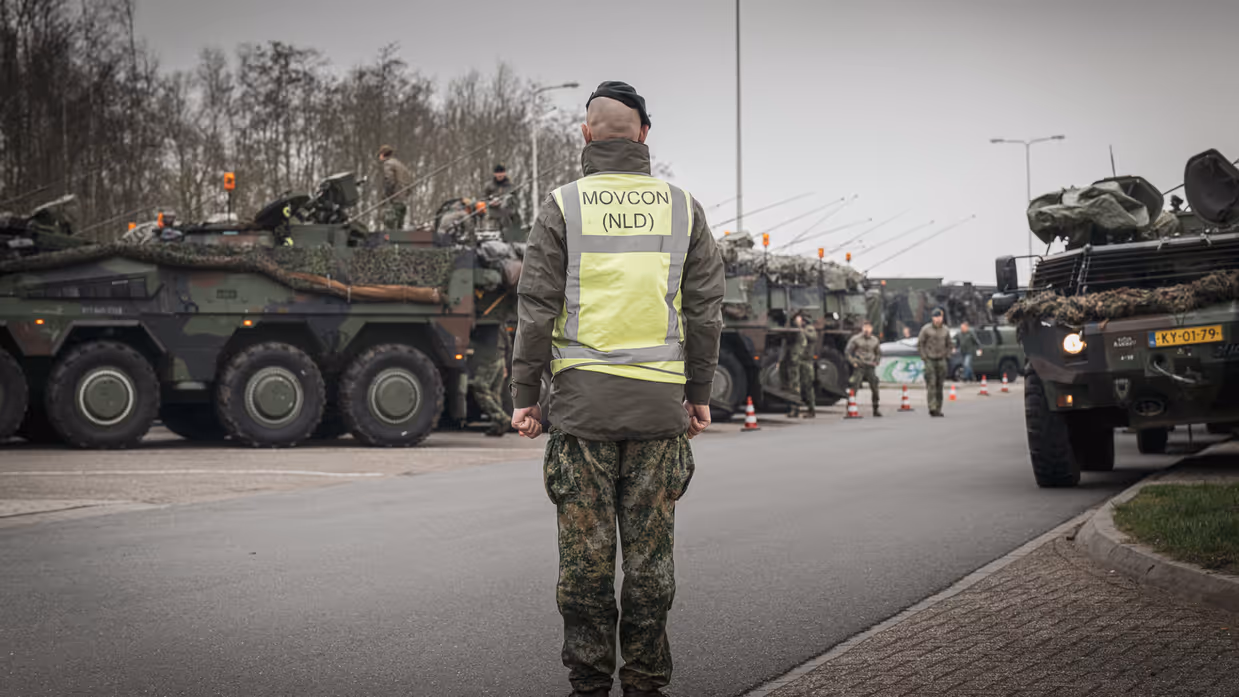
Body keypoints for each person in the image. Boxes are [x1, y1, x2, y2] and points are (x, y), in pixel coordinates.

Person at [508, 80, 724, 697]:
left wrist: (526, 395)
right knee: (650, 565)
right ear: (645, 136)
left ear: (586, 135)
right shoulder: (683, 208)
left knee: (585, 566)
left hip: (581, 415)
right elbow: (706, 308)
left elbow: (537, 304)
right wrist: (698, 392)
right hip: (660, 413)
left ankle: (589, 684)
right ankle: (647, 683)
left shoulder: (563, 205)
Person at [468, 325, 512, 437]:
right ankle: (498, 425)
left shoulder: (484, 320)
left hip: (489, 358)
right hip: (500, 358)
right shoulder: (499, 322)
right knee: (495, 393)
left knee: (480, 388)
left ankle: (501, 418)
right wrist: (505, 364)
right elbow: (508, 343)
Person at [917, 308, 952, 417]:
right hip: (930, 360)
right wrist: (924, 357)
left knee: (939, 385)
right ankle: (932, 407)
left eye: (939, 317)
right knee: (931, 384)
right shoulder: (926, 330)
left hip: (941, 360)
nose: (938, 319)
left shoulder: (945, 330)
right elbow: (920, 344)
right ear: (932, 318)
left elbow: (949, 344)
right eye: (936, 317)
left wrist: (947, 355)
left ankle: (938, 407)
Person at [846, 319, 882, 416]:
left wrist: (877, 361)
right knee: (854, 386)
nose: (867, 330)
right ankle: (849, 408)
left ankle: (876, 408)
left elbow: (878, 352)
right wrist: (853, 362)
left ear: (871, 329)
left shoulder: (875, 340)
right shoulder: (855, 339)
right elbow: (848, 352)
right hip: (859, 365)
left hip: (870, 366)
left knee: (875, 387)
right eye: (865, 328)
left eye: (868, 328)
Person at [785, 312, 817, 418]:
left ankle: (811, 409)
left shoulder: (809, 329)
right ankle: (795, 409)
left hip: (806, 361)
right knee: (794, 386)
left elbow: (812, 337)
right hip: (796, 361)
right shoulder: (797, 331)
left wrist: (800, 329)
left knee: (807, 386)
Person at [377, 145, 413, 230]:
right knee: (399, 228)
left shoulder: (388, 164)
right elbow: (409, 182)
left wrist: (387, 196)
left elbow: (389, 181)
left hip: (394, 199)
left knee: (390, 228)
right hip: (402, 201)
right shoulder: (400, 164)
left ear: (383, 154)